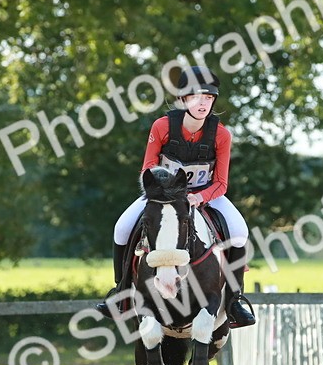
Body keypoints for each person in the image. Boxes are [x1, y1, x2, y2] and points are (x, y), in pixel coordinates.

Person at [94, 65, 255, 327]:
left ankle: (235, 300)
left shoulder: (222, 135)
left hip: (204, 195)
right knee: (122, 228)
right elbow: (147, 167)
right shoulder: (162, 126)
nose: (203, 103)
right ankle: (122, 294)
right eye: (196, 97)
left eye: (209, 98)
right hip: (163, 195)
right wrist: (163, 192)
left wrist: (198, 198)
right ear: (183, 99)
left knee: (240, 232)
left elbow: (222, 183)